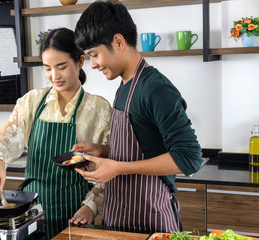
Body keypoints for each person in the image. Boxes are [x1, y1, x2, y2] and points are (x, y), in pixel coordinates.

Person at [72, 0, 203, 234]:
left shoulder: (155, 89)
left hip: (150, 217)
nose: (92, 65)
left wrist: (118, 168)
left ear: (118, 41)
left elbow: (189, 158)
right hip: (119, 216)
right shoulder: (123, 84)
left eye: (94, 55)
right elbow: (143, 145)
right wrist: (102, 151)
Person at [0, 27, 112, 238]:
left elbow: (110, 168)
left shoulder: (99, 109)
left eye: (61, 67)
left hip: (75, 213)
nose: (54, 76)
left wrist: (92, 206)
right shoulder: (32, 102)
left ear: (79, 62)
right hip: (30, 213)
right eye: (47, 68)